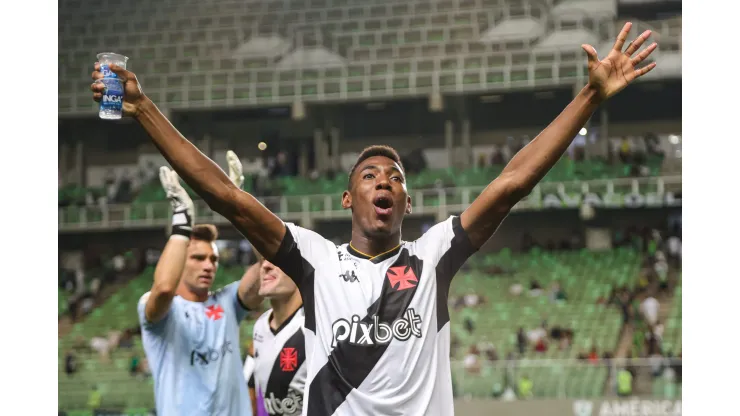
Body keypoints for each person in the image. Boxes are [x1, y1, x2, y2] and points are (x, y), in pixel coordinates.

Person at [91, 23, 657, 416]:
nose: (384, 180)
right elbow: (228, 198)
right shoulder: (314, 262)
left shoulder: (434, 257)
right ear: (346, 199)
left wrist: (589, 96)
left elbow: (511, 183)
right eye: (370, 175)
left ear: (407, 203)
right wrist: (143, 110)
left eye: (396, 176)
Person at [136, 154, 263, 416]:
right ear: (179, 258)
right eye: (198, 258)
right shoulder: (159, 311)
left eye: (213, 259)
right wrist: (182, 223)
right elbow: (164, 289)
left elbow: (269, 265)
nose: (209, 265)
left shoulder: (228, 302)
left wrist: (239, 207)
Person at [249, 254, 307, 416]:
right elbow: (251, 384)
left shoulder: (317, 325)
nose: (266, 266)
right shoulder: (261, 324)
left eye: (278, 260)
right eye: (262, 260)